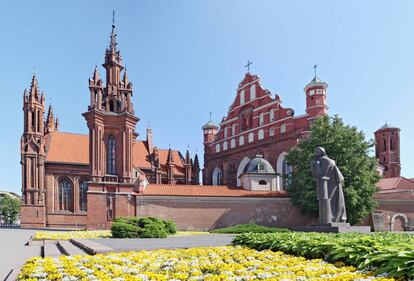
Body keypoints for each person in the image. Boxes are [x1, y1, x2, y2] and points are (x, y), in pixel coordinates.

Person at [311, 147, 347, 223]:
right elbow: (315, 175)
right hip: (328, 183)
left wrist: (316, 165)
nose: (315, 152)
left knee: (331, 201)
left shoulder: (325, 160)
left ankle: (332, 219)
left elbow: (322, 174)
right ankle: (331, 219)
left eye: (317, 150)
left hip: (331, 184)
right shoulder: (321, 160)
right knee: (331, 201)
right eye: (315, 150)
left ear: (322, 152)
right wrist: (314, 165)